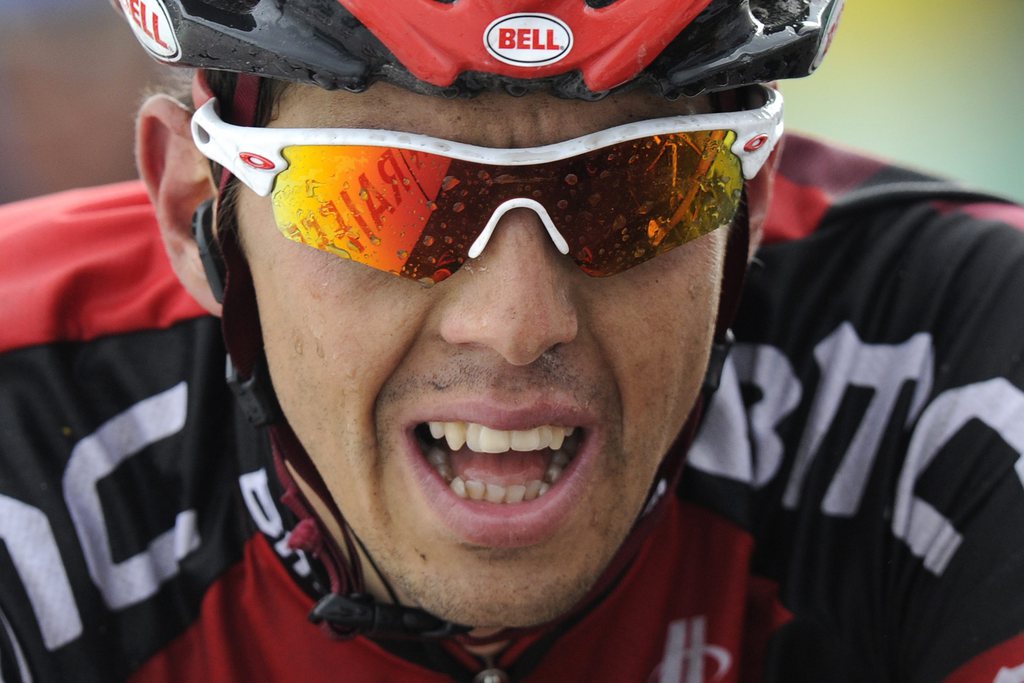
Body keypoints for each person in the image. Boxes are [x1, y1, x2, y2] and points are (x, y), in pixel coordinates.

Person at [1, 1, 1023, 681]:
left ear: (744, 207)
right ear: (195, 209)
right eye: (385, 198)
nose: (518, 323)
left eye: (640, 189)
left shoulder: (962, 354)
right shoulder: (21, 421)